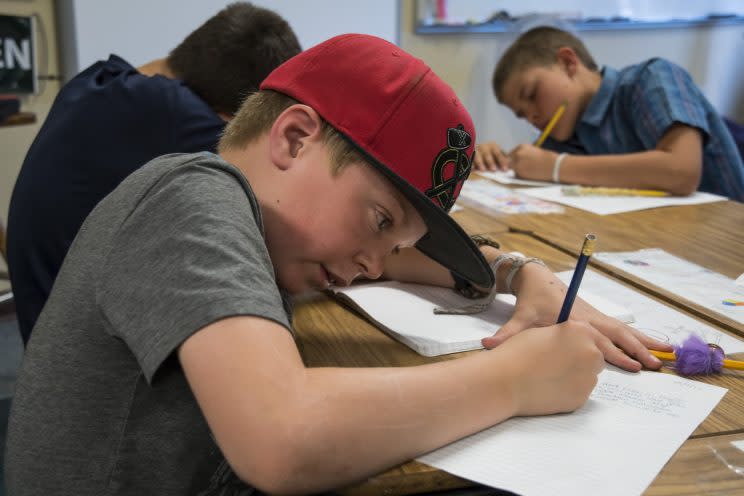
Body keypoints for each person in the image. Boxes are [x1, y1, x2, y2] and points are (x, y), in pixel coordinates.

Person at [5, 34, 670, 495]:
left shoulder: (267, 226)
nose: (370, 264)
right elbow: (283, 436)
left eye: (395, 243)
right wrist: (517, 379)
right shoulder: (190, 199)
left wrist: (526, 276)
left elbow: (403, 264)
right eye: (379, 221)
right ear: (294, 138)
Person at [6, 2, 301, 344]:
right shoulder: (172, 114)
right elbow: (287, 209)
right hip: (85, 356)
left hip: (41, 333)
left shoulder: (96, 82)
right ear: (229, 116)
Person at [473, 26, 744, 202]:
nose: (532, 116)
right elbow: (538, 171)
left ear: (568, 63)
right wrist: (497, 160)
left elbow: (681, 171)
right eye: (522, 115)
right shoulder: (567, 135)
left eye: (532, 94)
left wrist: (556, 166)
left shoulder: (651, 79)